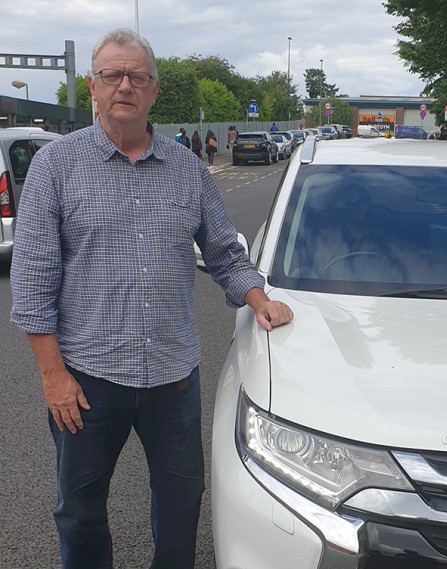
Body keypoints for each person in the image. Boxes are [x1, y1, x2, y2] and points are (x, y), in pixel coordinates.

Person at [9, 28, 293, 569]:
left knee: (183, 503)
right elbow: (32, 283)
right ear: (92, 85)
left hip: (172, 379)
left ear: (154, 91)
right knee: (80, 508)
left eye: (136, 77)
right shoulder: (55, 167)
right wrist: (53, 377)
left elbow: (225, 254)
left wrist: (259, 301)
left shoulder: (188, 171)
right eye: (112, 75)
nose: (124, 86)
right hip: (87, 379)